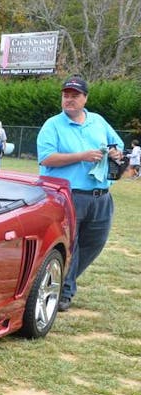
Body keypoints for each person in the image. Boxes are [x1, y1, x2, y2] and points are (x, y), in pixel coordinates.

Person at [37, 75, 124, 312]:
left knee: (95, 243)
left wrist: (116, 154)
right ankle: (64, 293)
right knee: (69, 245)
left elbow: (117, 145)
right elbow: (46, 158)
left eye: (75, 96)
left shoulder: (98, 121)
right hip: (68, 195)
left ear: (85, 98)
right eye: (66, 95)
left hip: (101, 195)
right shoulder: (52, 125)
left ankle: (67, 279)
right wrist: (81, 156)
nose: (69, 100)